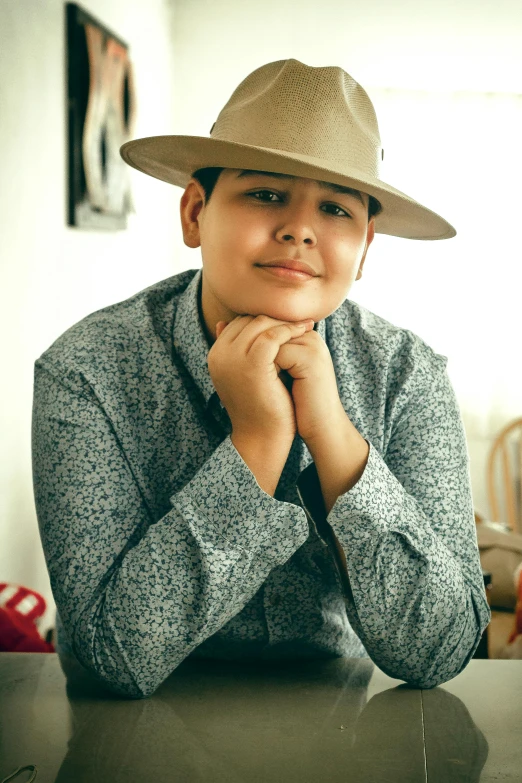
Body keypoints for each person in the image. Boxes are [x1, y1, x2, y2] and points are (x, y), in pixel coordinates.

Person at [32, 58, 490, 699]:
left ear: (365, 251)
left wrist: (331, 433)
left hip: (343, 721)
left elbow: (441, 648)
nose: (300, 228)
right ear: (194, 213)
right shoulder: (88, 373)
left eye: (334, 208)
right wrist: (258, 439)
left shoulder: (407, 377)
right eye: (266, 194)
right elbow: (113, 654)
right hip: (132, 731)